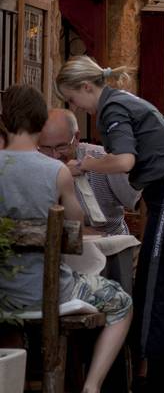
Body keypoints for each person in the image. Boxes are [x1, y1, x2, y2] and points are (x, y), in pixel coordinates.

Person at [56, 56, 164, 390]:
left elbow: (126, 160)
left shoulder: (111, 109)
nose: (77, 106)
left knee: (157, 285)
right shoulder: (122, 102)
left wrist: (85, 165)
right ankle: (157, 377)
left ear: (87, 87)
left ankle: (155, 381)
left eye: (72, 99)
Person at [0, 85, 132, 393]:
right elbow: (76, 227)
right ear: (40, 123)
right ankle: (92, 385)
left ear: (3, 122)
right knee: (122, 302)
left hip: (3, 292)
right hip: (46, 294)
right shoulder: (55, 172)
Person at [39, 108, 141, 236]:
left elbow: (142, 202)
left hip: (110, 244)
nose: (54, 155)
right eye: (46, 148)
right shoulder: (35, 165)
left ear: (76, 138)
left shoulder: (104, 159)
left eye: (61, 146)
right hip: (59, 244)